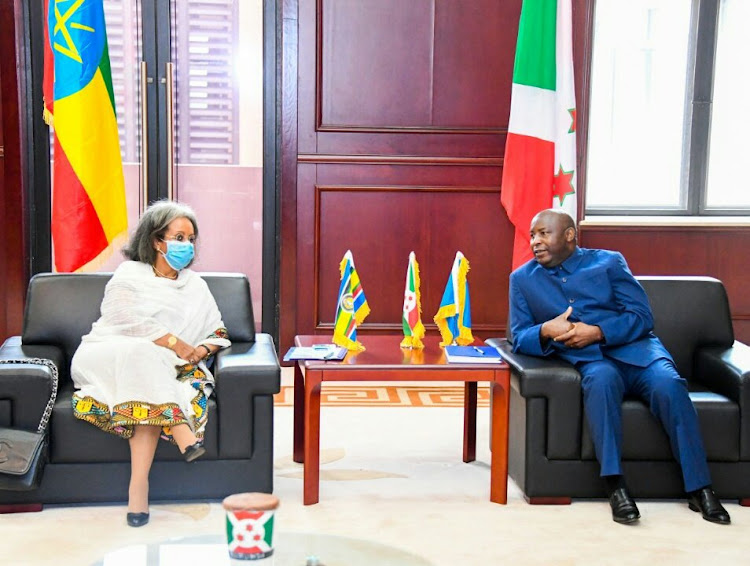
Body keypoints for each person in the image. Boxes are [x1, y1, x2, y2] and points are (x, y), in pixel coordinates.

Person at [508, 208, 730, 525]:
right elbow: (518, 337)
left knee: (669, 385)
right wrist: (545, 330)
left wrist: (598, 331)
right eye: (532, 235)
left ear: (569, 235)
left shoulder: (608, 262)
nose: (535, 242)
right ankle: (615, 485)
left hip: (638, 352)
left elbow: (642, 317)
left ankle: (700, 487)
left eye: (544, 233)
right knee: (600, 383)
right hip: (591, 362)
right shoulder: (522, 280)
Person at [70, 200, 230, 528]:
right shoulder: (130, 273)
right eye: (179, 238)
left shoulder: (194, 285)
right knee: (142, 353)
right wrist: (176, 343)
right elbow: (123, 318)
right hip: (107, 353)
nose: (188, 246)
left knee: (147, 371)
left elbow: (217, 329)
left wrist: (199, 350)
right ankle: (182, 431)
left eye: (191, 239)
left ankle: (138, 488)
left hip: (157, 367)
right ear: (158, 241)